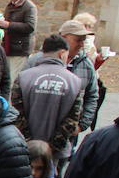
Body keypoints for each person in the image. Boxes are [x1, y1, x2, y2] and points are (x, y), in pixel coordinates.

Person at [10, 33, 83, 163]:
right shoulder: (75, 82)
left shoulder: (23, 77)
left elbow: (17, 113)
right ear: (62, 54)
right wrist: (52, 147)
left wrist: (29, 142)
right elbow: (72, 119)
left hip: (24, 148)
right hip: (56, 154)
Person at [58, 18, 100, 135]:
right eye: (78, 40)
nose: (82, 44)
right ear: (64, 38)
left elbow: (92, 96)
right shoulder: (39, 60)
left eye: (84, 40)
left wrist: (81, 126)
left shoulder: (86, 64)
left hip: (70, 132)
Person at [2, 0, 37, 70]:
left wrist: (9, 25)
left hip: (20, 49)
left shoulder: (29, 7)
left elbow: (30, 26)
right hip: (8, 47)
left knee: (13, 76)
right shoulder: (10, 5)